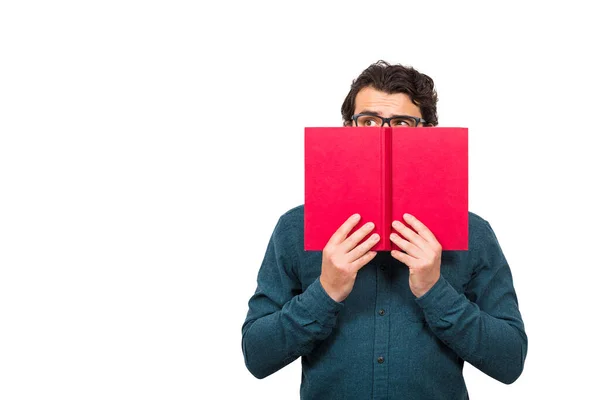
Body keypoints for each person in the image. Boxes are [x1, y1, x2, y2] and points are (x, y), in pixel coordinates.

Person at [241, 60, 527, 399]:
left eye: (403, 122)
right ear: (347, 128)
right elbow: (257, 357)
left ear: (429, 130)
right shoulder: (294, 228)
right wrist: (326, 291)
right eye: (369, 121)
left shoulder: (474, 233)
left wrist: (435, 291)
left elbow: (510, 362)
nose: (384, 134)